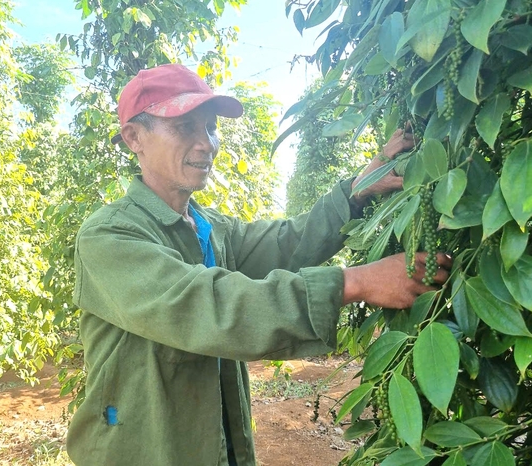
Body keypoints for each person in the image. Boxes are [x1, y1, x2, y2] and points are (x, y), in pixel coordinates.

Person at [65, 63, 451, 466]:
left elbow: (288, 243)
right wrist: (351, 283)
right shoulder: (109, 237)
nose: (206, 144)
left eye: (210, 128)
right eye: (184, 128)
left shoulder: (210, 228)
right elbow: (206, 306)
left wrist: (357, 191)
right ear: (134, 137)